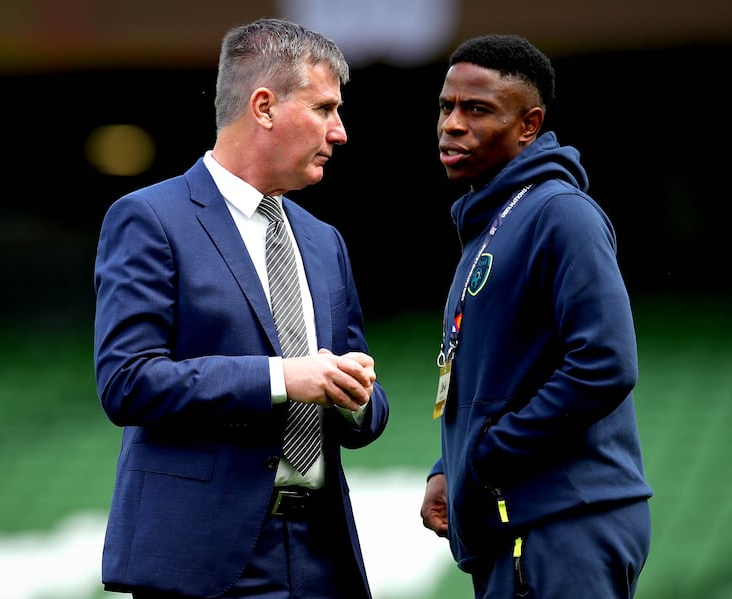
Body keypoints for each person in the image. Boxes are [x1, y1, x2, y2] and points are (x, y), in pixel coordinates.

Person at [93, 18, 389, 599]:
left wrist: (355, 398)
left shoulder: (325, 240)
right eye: (325, 108)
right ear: (264, 107)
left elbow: (366, 405)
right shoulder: (150, 219)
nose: (341, 131)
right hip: (203, 560)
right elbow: (126, 382)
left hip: (323, 553)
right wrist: (286, 377)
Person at [418, 34, 653, 598]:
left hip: (560, 521)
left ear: (529, 125)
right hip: (517, 525)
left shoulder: (560, 214)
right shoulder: (492, 222)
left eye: (477, 109)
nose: (452, 124)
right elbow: (500, 378)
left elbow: (604, 363)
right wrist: (449, 467)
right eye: (446, 107)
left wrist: (491, 453)